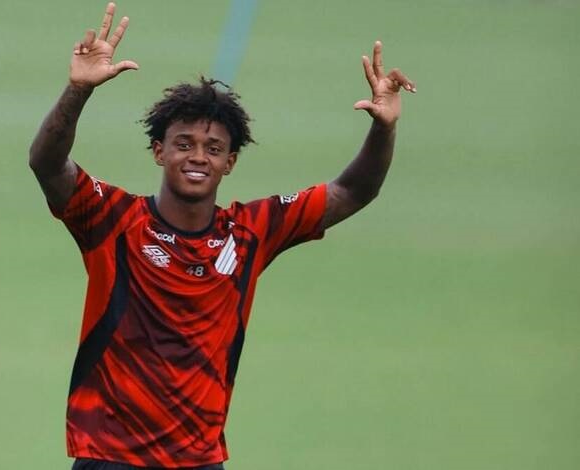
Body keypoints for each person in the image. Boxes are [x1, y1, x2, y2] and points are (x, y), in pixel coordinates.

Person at [29, 3, 415, 469]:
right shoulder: (113, 219)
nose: (198, 157)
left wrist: (384, 127)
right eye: (184, 144)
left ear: (229, 162)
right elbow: (47, 163)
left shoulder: (253, 231)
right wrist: (77, 90)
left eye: (213, 148)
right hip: (110, 458)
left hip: (199, 461)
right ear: (159, 151)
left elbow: (353, 190)